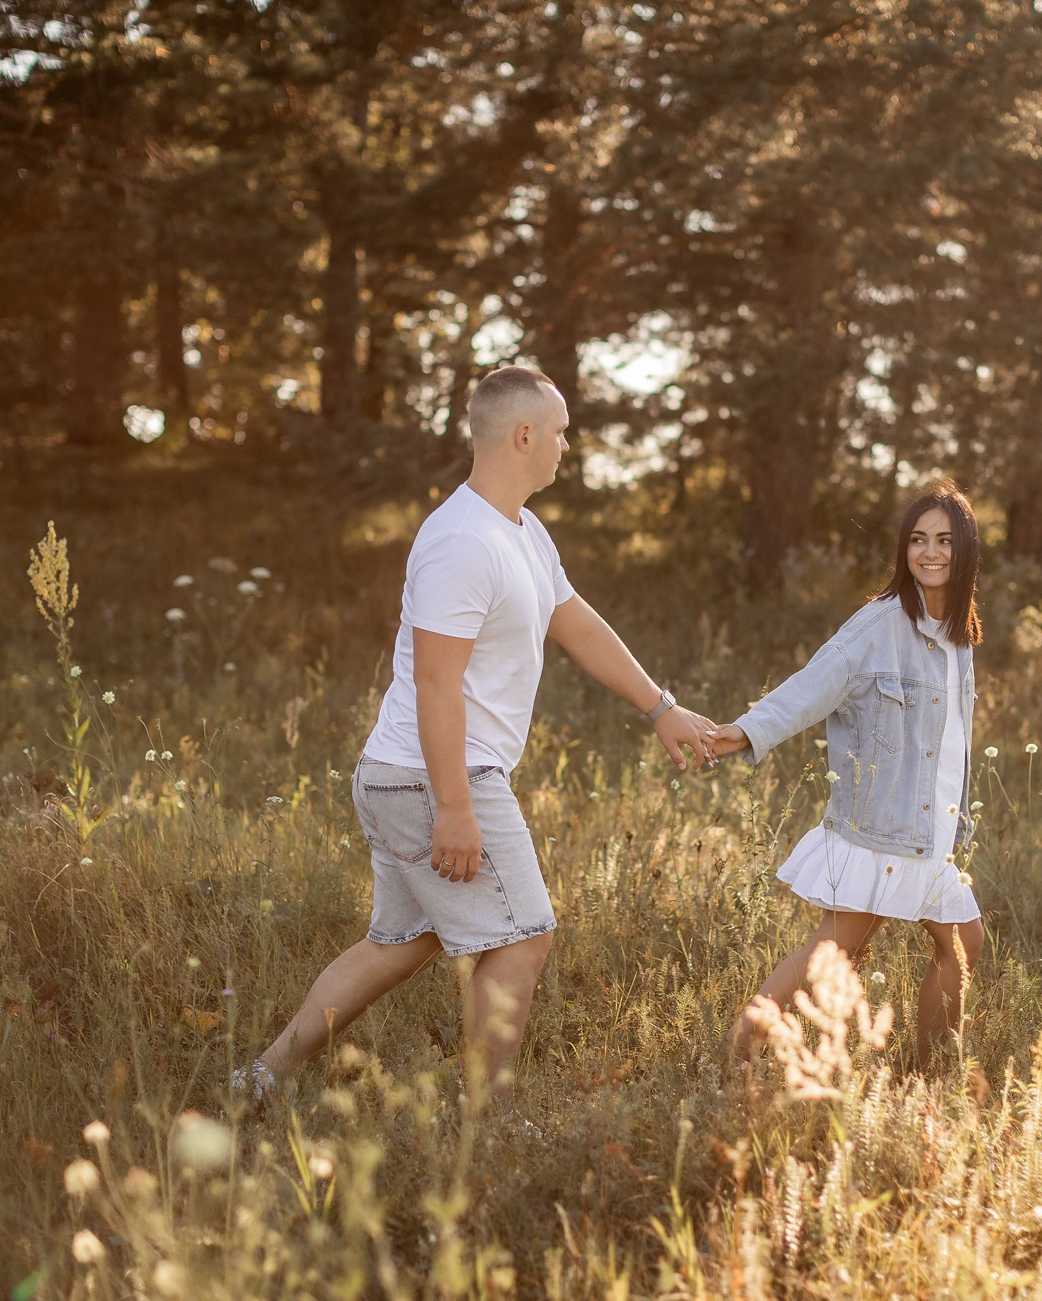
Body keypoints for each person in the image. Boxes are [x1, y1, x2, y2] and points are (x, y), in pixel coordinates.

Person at [233, 366, 716, 1106]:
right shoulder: (461, 541)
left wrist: (660, 707)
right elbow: (435, 682)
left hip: (414, 774)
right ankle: (483, 1126)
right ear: (523, 435)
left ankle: (261, 1077)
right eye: (558, 431)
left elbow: (577, 623)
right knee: (525, 935)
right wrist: (454, 805)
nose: (565, 444)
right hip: (438, 775)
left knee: (401, 944)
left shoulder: (520, 530)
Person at [706, 483, 987, 1067]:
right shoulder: (880, 624)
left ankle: (927, 1072)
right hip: (881, 828)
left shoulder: (957, 637)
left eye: (944, 540)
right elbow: (815, 685)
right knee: (833, 950)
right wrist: (745, 731)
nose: (930, 553)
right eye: (918, 540)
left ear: (965, 553)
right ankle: (737, 1053)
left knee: (960, 942)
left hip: (930, 833)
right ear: (903, 549)